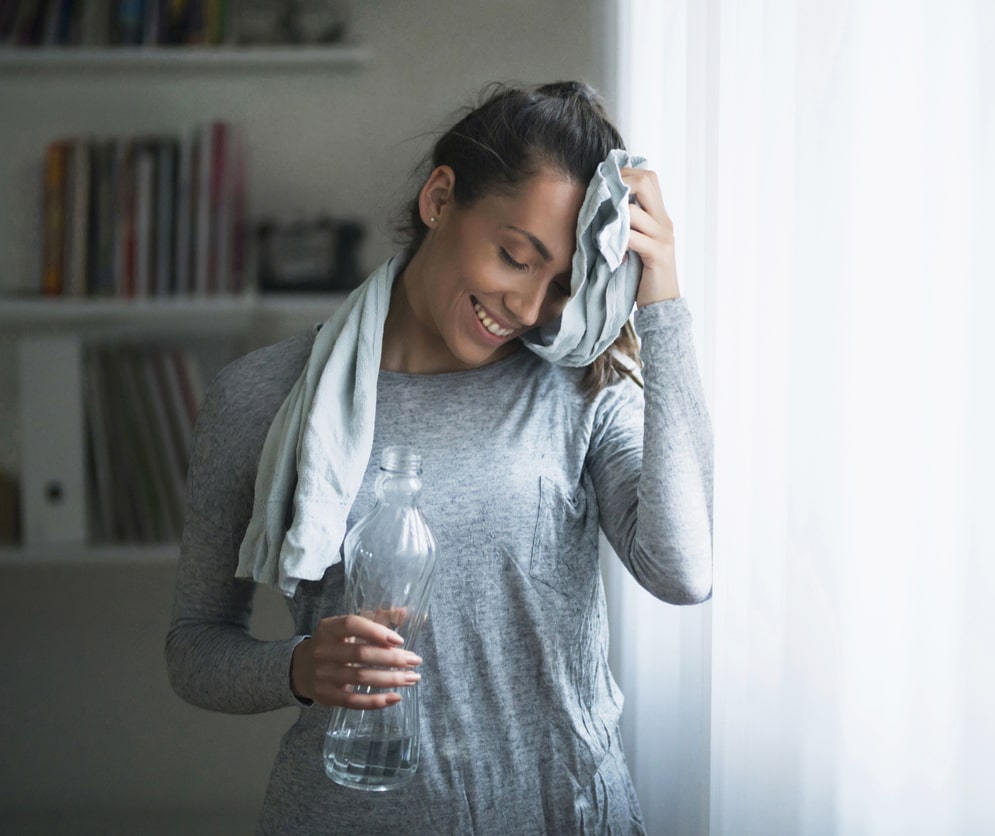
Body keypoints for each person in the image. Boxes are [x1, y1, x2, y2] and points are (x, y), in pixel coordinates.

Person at [165, 80, 712, 835]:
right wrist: (296, 668)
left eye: (562, 285)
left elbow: (684, 571)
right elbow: (194, 646)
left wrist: (664, 303)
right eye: (516, 257)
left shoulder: (580, 389)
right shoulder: (263, 396)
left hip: (562, 815)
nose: (527, 309)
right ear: (439, 197)